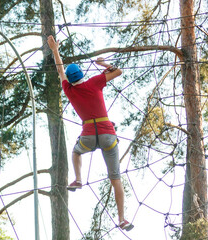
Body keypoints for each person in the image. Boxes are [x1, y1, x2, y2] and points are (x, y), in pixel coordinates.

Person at [47, 35, 134, 231]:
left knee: (76, 152)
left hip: (88, 136)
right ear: (82, 75)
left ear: (70, 79)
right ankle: (121, 218)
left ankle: (78, 179)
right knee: (116, 178)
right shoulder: (94, 82)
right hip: (107, 135)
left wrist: (55, 50)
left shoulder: (68, 89)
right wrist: (103, 63)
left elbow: (60, 69)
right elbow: (118, 71)